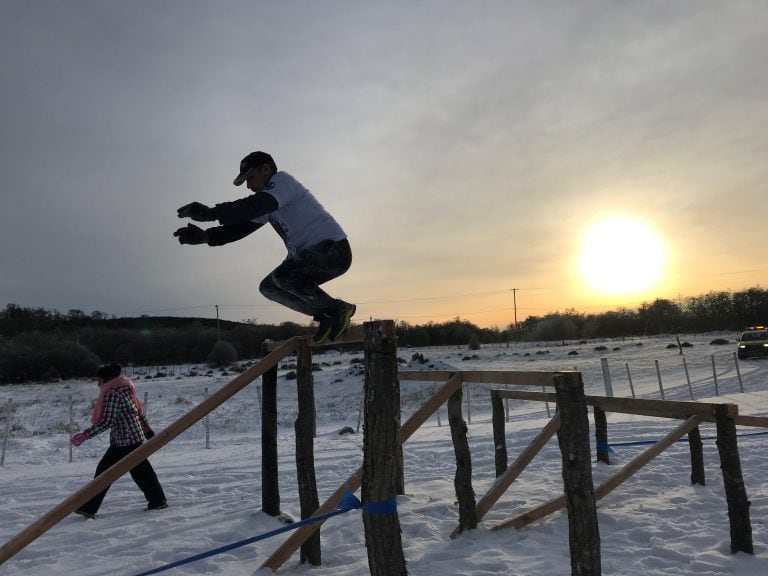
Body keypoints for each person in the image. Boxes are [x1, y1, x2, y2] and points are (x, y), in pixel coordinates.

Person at [173, 151, 355, 345]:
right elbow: (239, 228)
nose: (249, 186)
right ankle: (325, 314)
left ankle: (338, 308)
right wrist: (206, 236)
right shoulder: (268, 203)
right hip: (310, 258)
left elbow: (255, 206)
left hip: (334, 251)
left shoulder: (283, 183)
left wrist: (211, 213)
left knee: (283, 277)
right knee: (268, 287)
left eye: (250, 178)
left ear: (266, 169)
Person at [70, 364, 167, 518]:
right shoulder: (126, 387)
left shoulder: (113, 394)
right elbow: (138, 411)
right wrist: (146, 429)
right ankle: (157, 501)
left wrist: (86, 434)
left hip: (126, 440)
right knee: (136, 472)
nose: (98, 384)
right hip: (127, 439)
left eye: (99, 380)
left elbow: (108, 421)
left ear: (108, 379)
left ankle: (89, 508)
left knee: (111, 472)